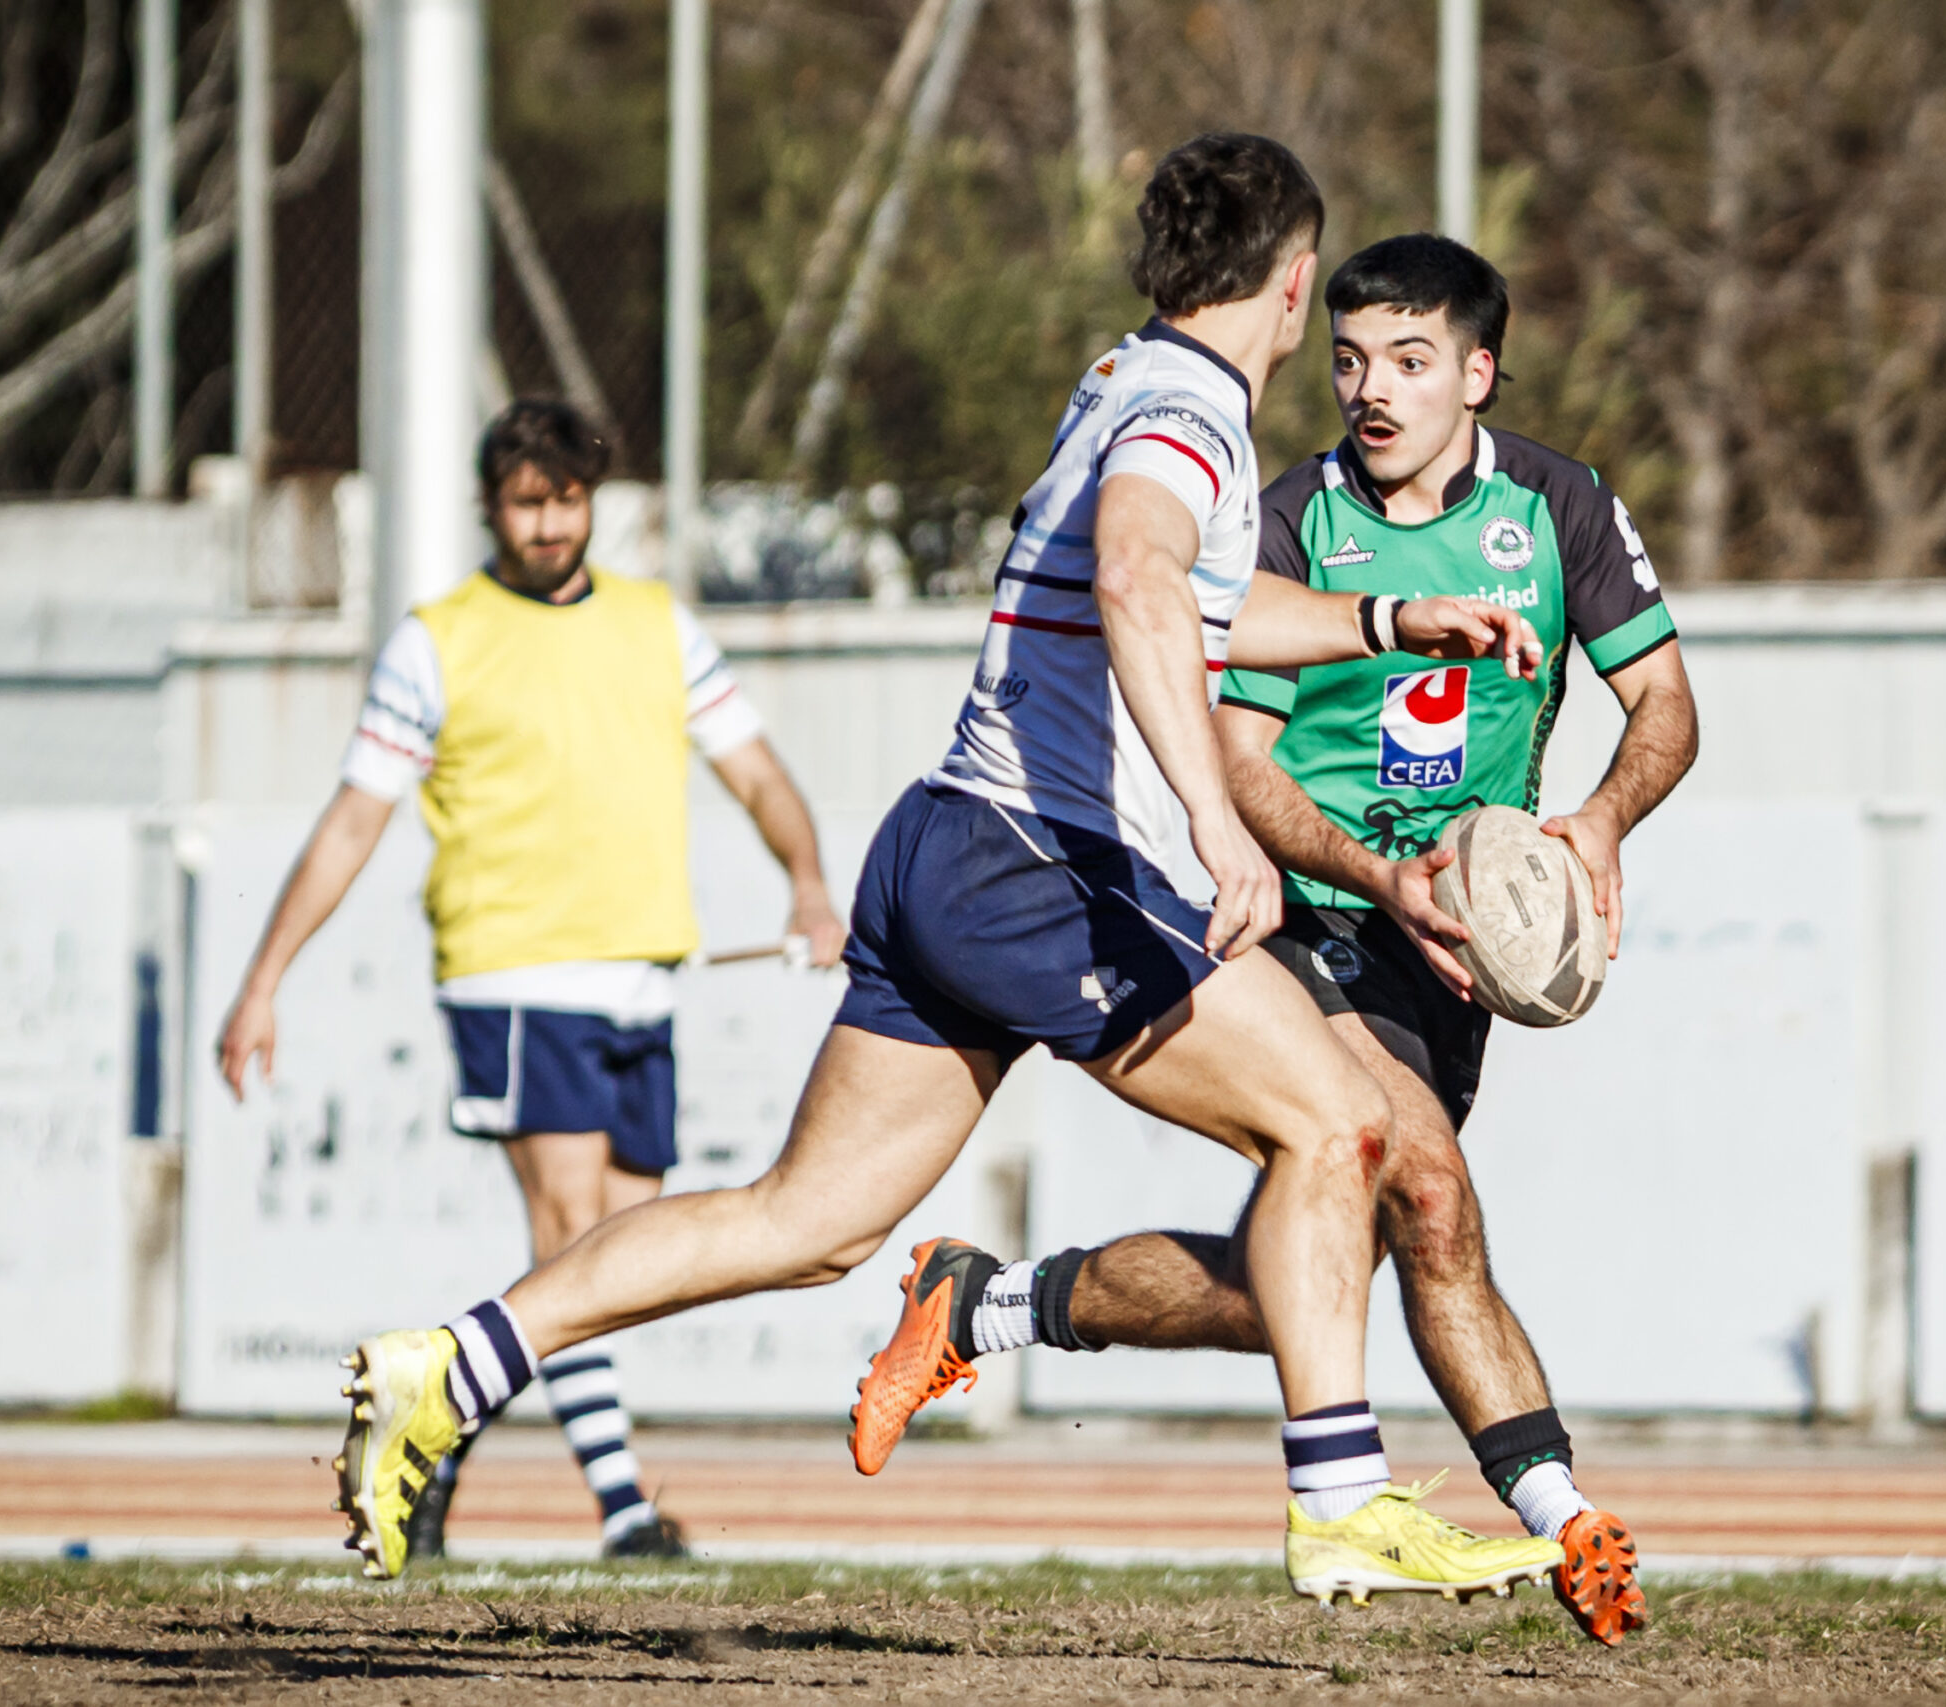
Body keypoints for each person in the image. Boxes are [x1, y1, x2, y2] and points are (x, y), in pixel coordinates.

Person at [331, 134, 1556, 1607]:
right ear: (1296, 288)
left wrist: (1380, 619)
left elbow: (1204, 594)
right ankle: (1342, 1496)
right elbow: (1141, 580)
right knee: (1343, 1131)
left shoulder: (1125, 378)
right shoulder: (1195, 414)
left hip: (945, 840)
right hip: (1052, 861)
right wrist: (1218, 825)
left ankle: (454, 1360)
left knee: (808, 1223)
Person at [850, 234, 1699, 1647]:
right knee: (1423, 1183)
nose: (1373, 387)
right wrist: (1377, 868)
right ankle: (1565, 1512)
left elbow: (1665, 704)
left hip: (1449, 951)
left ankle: (993, 1300)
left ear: (1477, 373)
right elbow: (1242, 761)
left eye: (1413, 362)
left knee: (1288, 1287)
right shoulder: (1286, 512)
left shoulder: (1561, 506)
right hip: (1309, 920)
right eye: (1354, 355)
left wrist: (1599, 821)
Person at [220, 398, 847, 1561]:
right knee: (572, 1244)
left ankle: (433, 1428)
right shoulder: (439, 637)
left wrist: (808, 882)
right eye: (526, 500)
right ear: (488, 506)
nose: (549, 522)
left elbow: (758, 775)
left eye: (566, 498)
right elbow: (355, 823)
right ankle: (624, 1512)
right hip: (512, 975)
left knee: (621, 1257)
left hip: (644, 977)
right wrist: (265, 979)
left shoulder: (657, 624)